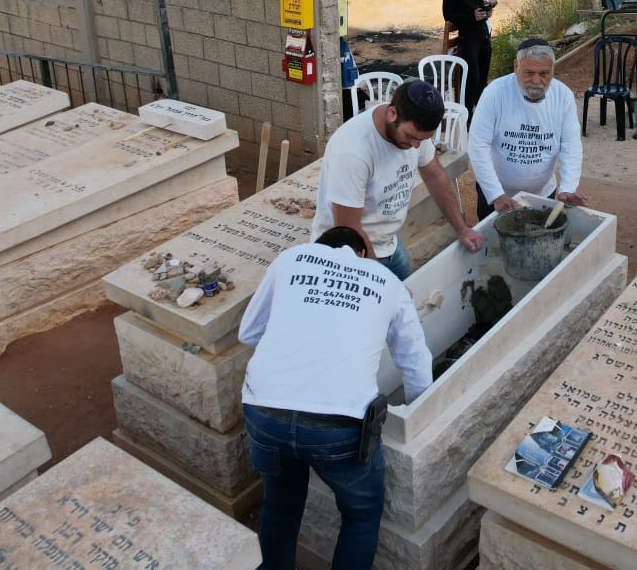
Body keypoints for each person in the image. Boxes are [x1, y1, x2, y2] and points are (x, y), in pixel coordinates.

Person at [240, 226, 432, 570]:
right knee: (360, 515)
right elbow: (416, 362)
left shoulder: (291, 259)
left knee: (280, 508)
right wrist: (420, 416)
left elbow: (249, 332)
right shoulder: (385, 279)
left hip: (264, 409)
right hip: (339, 424)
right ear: (362, 253)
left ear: (319, 248)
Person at [312, 78, 482, 280]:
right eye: (411, 137)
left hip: (390, 243)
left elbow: (434, 174)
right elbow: (348, 230)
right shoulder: (354, 151)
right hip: (350, 255)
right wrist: (378, 280)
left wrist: (461, 229)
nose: (416, 146)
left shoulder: (414, 130)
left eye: (422, 139)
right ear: (392, 113)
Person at [468, 37, 588, 220]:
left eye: (544, 73)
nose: (536, 80)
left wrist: (568, 188)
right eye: (529, 72)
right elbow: (478, 145)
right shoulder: (495, 93)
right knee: (492, 244)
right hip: (497, 194)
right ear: (516, 66)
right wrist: (495, 194)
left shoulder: (563, 96)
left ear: (552, 70)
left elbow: (571, 146)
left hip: (542, 194)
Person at [442, 0, 492, 117]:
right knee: (473, 78)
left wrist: (486, 11)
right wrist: (472, 17)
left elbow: (478, 6)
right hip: (469, 38)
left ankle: (482, 113)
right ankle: (467, 114)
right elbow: (448, 15)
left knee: (483, 78)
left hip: (483, 34)